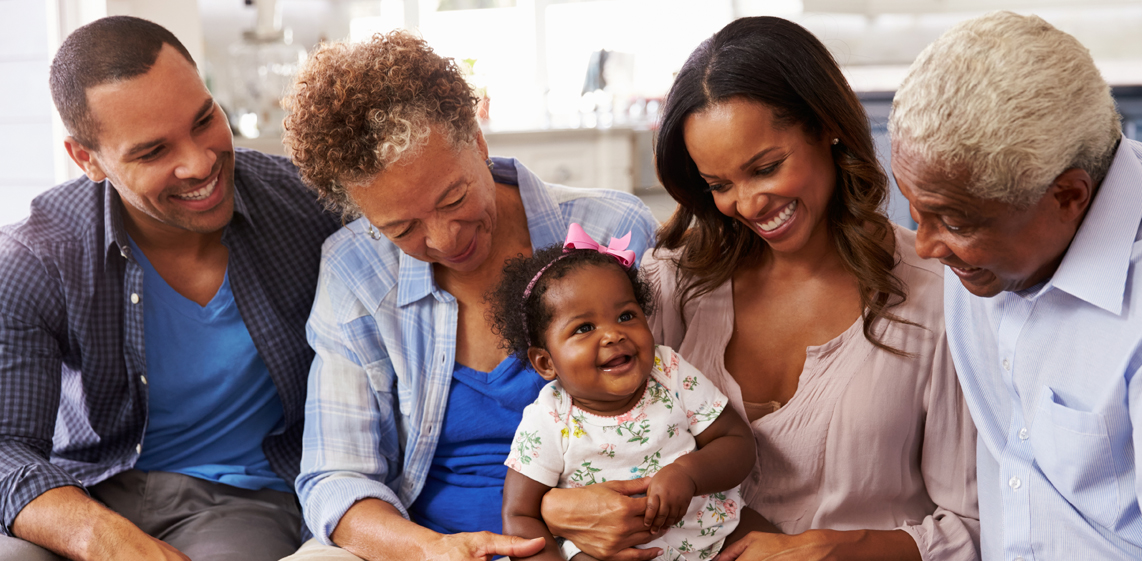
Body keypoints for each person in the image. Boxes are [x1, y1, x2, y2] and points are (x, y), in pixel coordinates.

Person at [536, 16, 980, 561]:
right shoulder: (672, 280)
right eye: (720, 185)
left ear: (825, 125)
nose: (746, 205)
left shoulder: (937, 296)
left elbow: (975, 526)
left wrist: (837, 550)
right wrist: (556, 506)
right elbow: (566, 425)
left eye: (766, 168)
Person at [278, 32, 658, 561]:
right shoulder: (355, 269)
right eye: (402, 228)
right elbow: (336, 477)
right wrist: (431, 550)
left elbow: (687, 410)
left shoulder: (614, 229)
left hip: (598, 534)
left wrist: (556, 514)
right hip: (427, 540)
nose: (445, 240)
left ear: (478, 141)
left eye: (454, 197)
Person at [0, 15, 341, 561]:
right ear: (87, 159)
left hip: (240, 503)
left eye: (205, 120)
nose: (201, 163)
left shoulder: (307, 207)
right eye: (153, 152)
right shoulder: (35, 256)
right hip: (85, 491)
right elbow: (6, 445)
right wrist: (96, 536)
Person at [888, 11, 1142, 561]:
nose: (926, 247)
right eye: (915, 211)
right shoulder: (986, 233)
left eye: (955, 223)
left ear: (1069, 197)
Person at [491, 230, 763, 561]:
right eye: (584, 328)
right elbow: (520, 515)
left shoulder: (669, 371)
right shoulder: (549, 419)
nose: (612, 334)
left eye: (625, 316)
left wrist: (689, 474)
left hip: (713, 531)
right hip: (611, 553)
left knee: (774, 542)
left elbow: (736, 441)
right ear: (546, 362)